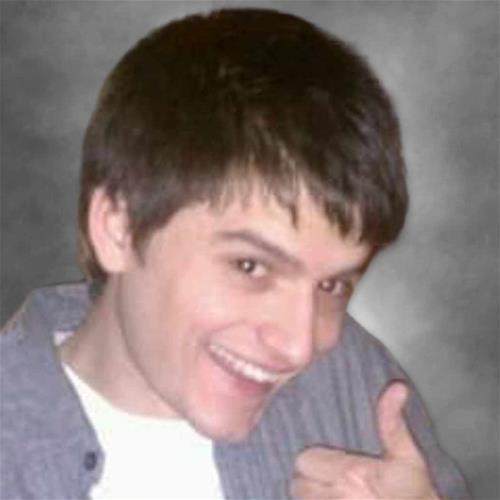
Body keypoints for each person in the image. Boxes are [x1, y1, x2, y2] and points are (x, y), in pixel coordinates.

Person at [1, 8, 469, 499]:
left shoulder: (359, 385)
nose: (298, 346)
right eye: (251, 266)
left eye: (332, 285)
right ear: (119, 229)